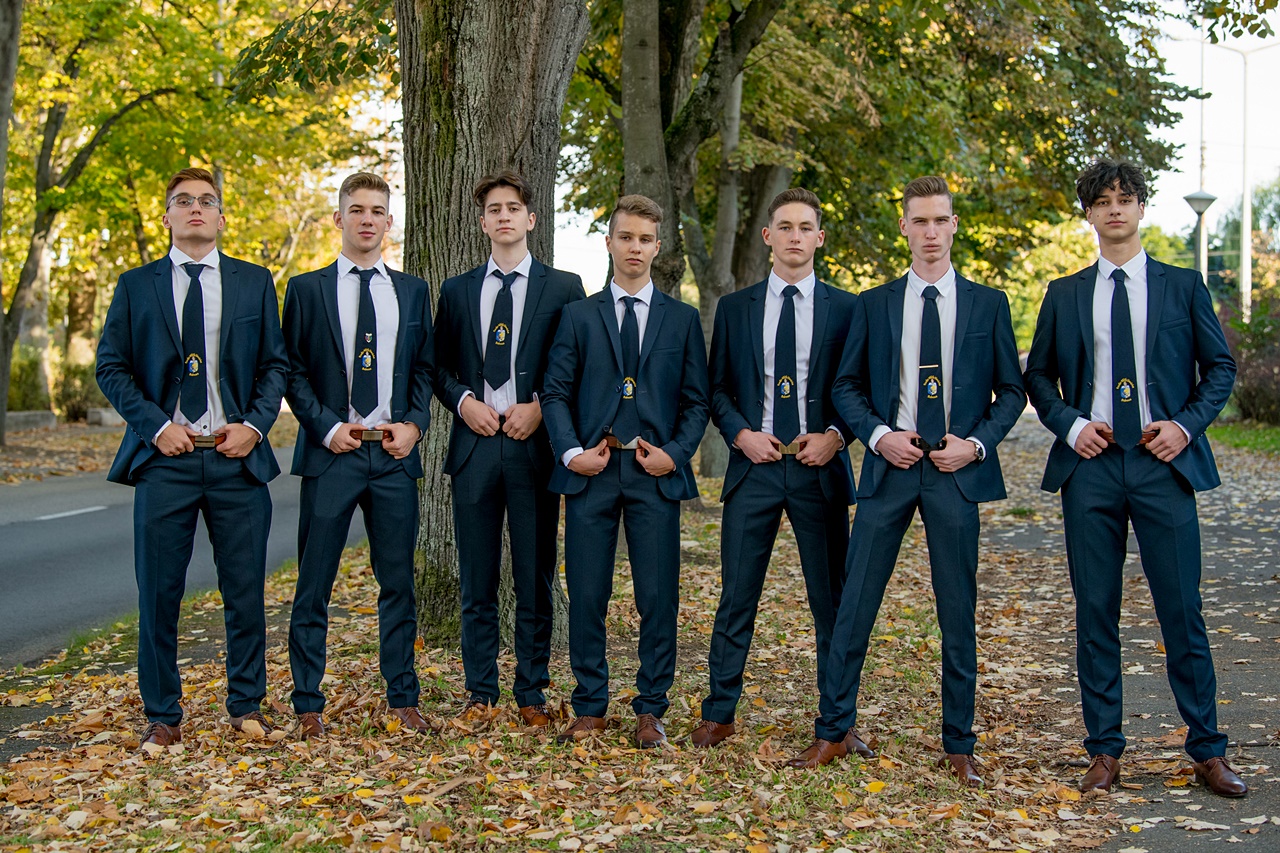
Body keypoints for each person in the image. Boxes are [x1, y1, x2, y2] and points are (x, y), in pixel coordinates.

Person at [1024, 159, 1245, 796]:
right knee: (1096, 610)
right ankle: (1104, 751)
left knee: (1182, 609)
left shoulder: (1183, 286)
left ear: (1142, 207)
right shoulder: (1065, 293)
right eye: (1102, 200)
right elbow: (1038, 375)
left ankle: (1207, 750)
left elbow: (1220, 368)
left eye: (1125, 198)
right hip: (1091, 467)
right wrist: (1070, 425)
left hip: (1162, 463)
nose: (1114, 208)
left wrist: (1186, 426)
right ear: (1089, 214)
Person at [794, 176, 1025, 784]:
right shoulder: (874, 304)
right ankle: (832, 731)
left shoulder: (988, 304)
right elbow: (846, 386)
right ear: (904, 227)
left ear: (954, 225)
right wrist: (878, 436)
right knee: (855, 606)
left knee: (957, 611)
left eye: (939, 220)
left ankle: (959, 745)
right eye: (919, 220)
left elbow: (1011, 392)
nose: (930, 231)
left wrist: (975, 444)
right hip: (890, 470)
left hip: (954, 474)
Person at [96, 167, 288, 750]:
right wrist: (156, 427)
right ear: (168, 217)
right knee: (159, 594)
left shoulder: (254, 282)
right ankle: (163, 715)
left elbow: (275, 366)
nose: (195, 208)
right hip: (165, 461)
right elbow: (111, 367)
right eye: (183, 200)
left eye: (206, 200)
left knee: (245, 591)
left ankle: (246, 704)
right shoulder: (136, 285)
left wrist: (254, 426)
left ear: (222, 217)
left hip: (236, 458)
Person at [540, 194, 710, 748]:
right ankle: (590, 705)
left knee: (657, 597)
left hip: (653, 472)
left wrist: (675, 453)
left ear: (657, 247)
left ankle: (651, 708)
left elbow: (696, 402)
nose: (635, 247)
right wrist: (571, 452)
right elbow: (555, 392)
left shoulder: (681, 319)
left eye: (645, 239)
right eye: (626, 237)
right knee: (588, 593)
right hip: (592, 468)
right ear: (609, 242)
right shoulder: (579, 315)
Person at [690, 188, 856, 749]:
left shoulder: (847, 309)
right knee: (736, 596)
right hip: (753, 469)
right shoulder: (736, 308)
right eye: (784, 226)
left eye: (805, 227)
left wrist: (836, 437)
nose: (794, 236)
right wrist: (741, 434)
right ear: (767, 236)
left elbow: (860, 389)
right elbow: (716, 389)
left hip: (818, 469)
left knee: (832, 603)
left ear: (819, 238)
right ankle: (719, 714)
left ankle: (839, 723)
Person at [282, 172, 436, 739]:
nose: (366, 219)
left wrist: (414, 426)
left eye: (376, 211)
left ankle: (403, 699)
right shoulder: (306, 289)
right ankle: (307, 704)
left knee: (398, 583)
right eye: (356, 210)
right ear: (339, 219)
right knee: (314, 583)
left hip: (393, 456)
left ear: (389, 222)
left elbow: (424, 369)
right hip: (333, 455)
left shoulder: (413, 292)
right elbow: (291, 371)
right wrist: (326, 427)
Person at [432, 170, 585, 726]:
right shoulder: (457, 290)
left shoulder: (563, 288)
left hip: (532, 448)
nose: (503, 216)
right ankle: (480, 692)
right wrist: (462, 401)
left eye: (513, 207)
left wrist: (541, 406)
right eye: (494, 209)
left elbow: (576, 364)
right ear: (482, 222)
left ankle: (531, 692)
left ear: (531, 218)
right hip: (474, 448)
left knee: (534, 578)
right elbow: (436, 367)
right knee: (477, 580)